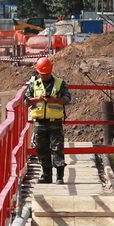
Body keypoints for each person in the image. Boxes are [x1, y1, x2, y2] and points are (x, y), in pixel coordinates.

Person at [26, 56, 70, 184]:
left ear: (51, 71)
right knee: (41, 149)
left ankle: (60, 177)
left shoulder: (60, 83)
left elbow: (67, 99)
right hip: (40, 122)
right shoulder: (34, 84)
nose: (44, 76)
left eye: (46, 74)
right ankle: (46, 175)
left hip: (55, 122)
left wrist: (55, 100)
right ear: (38, 72)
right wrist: (38, 99)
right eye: (42, 74)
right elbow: (26, 101)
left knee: (57, 149)